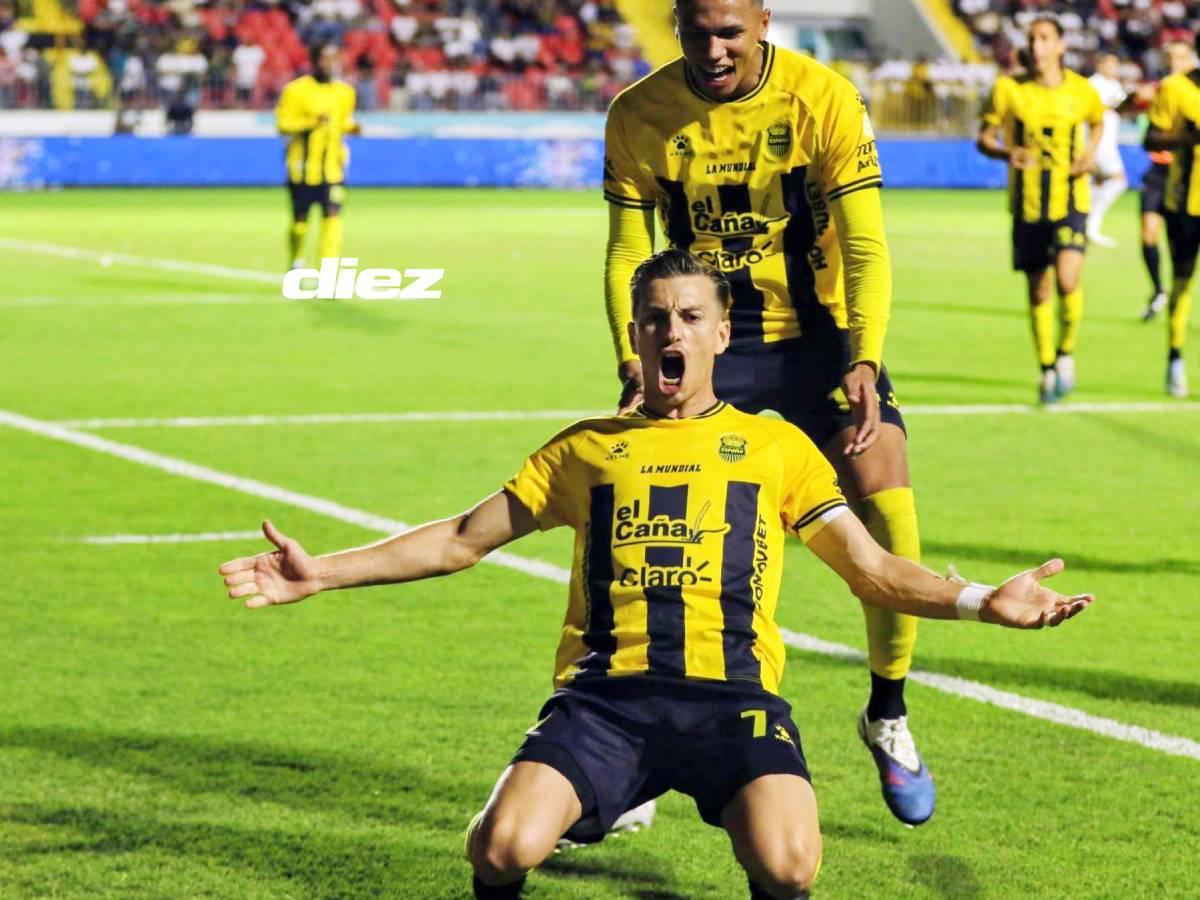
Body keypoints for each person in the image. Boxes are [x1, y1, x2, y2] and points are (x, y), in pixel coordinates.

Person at [219, 250, 1094, 900]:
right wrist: (320, 573)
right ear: (635, 336)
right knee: (501, 848)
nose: (671, 331)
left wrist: (982, 602)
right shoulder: (585, 450)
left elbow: (871, 571)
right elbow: (458, 539)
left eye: (688, 317)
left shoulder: (775, 447)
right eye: (654, 318)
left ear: (721, 333)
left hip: (733, 698)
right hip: (606, 702)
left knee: (791, 865)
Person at [603, 0, 936, 827]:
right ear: (676, 24)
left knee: (888, 505)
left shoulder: (823, 98)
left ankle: (887, 710)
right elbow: (626, 249)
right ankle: (640, 739)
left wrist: (864, 355)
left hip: (819, 337)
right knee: (655, 526)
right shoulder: (639, 112)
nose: (714, 50)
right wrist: (633, 357)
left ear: (762, 23)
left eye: (730, 33)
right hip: (704, 335)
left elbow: (866, 245)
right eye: (697, 33)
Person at [977, 16, 1105, 404]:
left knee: (1067, 280)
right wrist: (1006, 152)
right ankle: (1047, 366)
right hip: (1027, 205)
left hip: (1070, 200)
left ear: (1061, 46)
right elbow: (984, 138)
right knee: (1039, 288)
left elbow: (1098, 123)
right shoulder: (1008, 89)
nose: (1037, 46)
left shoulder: (1082, 90)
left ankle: (1066, 353)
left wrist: (1089, 154)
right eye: (1032, 39)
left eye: (1045, 38)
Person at [1143, 32, 1200, 398]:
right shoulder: (1176, 88)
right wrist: (1189, 139)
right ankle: (1175, 356)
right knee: (1182, 282)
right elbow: (1151, 138)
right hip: (1185, 203)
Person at [276, 44, 360, 272]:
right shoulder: (295, 90)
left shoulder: (346, 92)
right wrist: (311, 123)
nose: (330, 64)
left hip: (333, 168)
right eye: (325, 58)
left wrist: (351, 127)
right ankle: (296, 261)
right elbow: (283, 124)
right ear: (313, 61)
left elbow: (341, 121)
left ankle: (328, 272)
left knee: (333, 217)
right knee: (300, 223)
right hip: (302, 169)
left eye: (334, 58)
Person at [1138, 40, 1197, 322]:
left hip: (1188, 180)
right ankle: (1158, 289)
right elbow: (1147, 134)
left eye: (1180, 57)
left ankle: (1174, 296)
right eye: (1170, 58)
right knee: (1148, 234)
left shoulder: (1187, 91)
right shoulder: (1163, 89)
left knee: (1184, 259)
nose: (1175, 63)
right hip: (1160, 173)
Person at [1086, 53, 1128, 248]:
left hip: (1109, 142)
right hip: (1099, 142)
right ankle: (1092, 222)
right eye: (1109, 65)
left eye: (1115, 65)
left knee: (1098, 182)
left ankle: (1089, 225)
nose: (1113, 69)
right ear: (1100, 65)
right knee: (1119, 181)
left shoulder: (1115, 85)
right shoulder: (1092, 85)